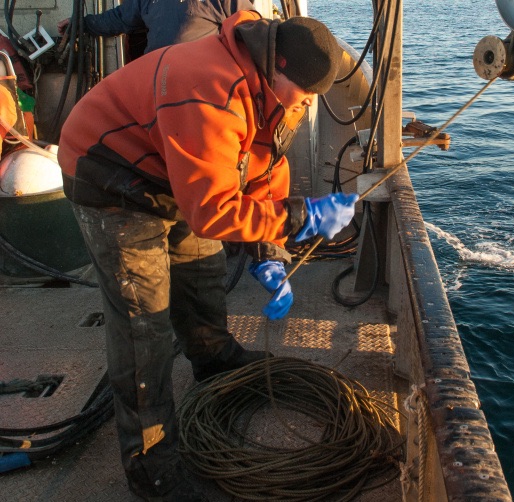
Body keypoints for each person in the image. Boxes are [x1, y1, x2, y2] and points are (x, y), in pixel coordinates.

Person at [57, 10, 357, 502]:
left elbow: (265, 161)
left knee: (201, 269)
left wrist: (269, 250)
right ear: (276, 64)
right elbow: (213, 212)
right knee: (144, 325)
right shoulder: (208, 90)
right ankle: (153, 471)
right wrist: (299, 219)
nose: (303, 105)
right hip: (108, 172)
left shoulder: (282, 84)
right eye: (301, 94)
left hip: (169, 167)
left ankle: (213, 358)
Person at [57, 0, 256, 54]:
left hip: (201, 87)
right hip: (157, 79)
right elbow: (119, 18)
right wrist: (82, 24)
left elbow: (250, 27)